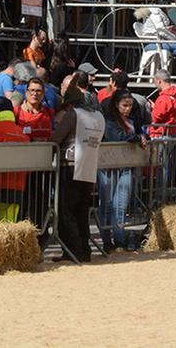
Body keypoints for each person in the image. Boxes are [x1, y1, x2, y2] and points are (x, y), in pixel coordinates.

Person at [52, 78, 104, 262]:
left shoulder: (73, 114)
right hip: (89, 165)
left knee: (67, 211)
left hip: (70, 164)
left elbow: (57, 138)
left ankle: (73, 250)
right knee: (82, 210)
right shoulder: (99, 117)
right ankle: (84, 249)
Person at [98, 88, 146, 251]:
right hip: (108, 166)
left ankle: (119, 239)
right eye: (125, 105)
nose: (128, 109)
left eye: (130, 105)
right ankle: (106, 240)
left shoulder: (132, 120)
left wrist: (143, 137)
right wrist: (137, 138)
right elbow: (117, 137)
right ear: (116, 105)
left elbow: (140, 133)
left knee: (121, 204)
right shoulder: (109, 120)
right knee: (107, 204)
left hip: (126, 165)